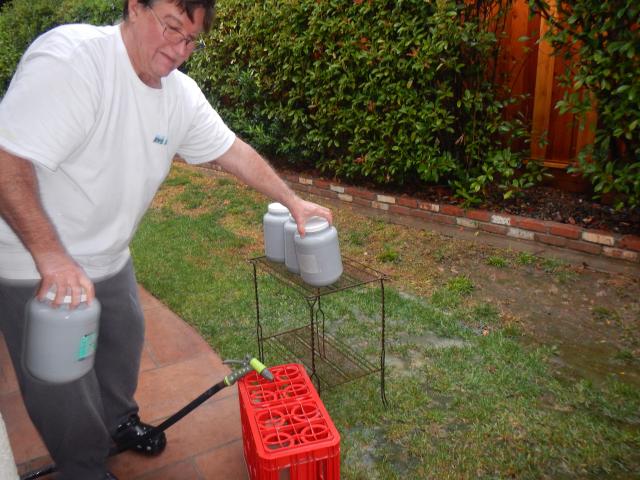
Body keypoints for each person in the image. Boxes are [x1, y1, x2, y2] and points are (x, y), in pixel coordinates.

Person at [0, 0, 332, 478]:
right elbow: (7, 160)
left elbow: (233, 152)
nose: (179, 49)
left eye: (191, 40)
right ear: (135, 7)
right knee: (62, 382)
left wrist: (293, 201)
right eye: (172, 28)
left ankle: (118, 423)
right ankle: (83, 467)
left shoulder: (180, 96)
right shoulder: (73, 61)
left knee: (123, 341)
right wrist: (50, 257)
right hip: (32, 258)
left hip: (108, 256)